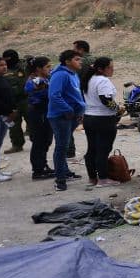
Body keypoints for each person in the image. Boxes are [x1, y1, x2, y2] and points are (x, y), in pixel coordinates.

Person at [81, 56, 122, 188]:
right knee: (103, 150)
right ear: (100, 69)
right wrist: (117, 109)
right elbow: (106, 99)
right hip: (103, 119)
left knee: (92, 149)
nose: (112, 69)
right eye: (110, 67)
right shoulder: (103, 81)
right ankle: (103, 179)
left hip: (89, 117)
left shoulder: (89, 79)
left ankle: (92, 178)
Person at [48, 49, 85, 192]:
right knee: (61, 146)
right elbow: (54, 95)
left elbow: (75, 94)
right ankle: (60, 180)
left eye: (80, 59)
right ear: (67, 61)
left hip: (73, 115)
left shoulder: (73, 74)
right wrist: (68, 110)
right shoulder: (61, 75)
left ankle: (65, 172)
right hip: (61, 116)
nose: (80, 62)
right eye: (76, 59)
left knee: (65, 144)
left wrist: (80, 111)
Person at [25, 56, 54, 180]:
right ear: (38, 68)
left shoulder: (44, 79)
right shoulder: (34, 80)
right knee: (39, 141)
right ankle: (37, 170)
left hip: (45, 112)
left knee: (46, 141)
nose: (50, 69)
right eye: (47, 67)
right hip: (38, 113)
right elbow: (29, 89)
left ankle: (43, 165)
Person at [67, 40, 91, 158]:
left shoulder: (79, 62)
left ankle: (69, 151)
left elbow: (76, 78)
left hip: (81, 93)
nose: (73, 51)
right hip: (94, 95)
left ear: (81, 49)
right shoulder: (94, 59)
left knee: (70, 124)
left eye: (75, 49)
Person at [2, 49, 28, 154]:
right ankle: (17, 145)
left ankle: (38, 142)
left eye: (9, 58)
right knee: (13, 124)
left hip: (26, 99)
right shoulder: (3, 69)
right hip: (11, 101)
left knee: (33, 122)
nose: (7, 61)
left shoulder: (25, 67)